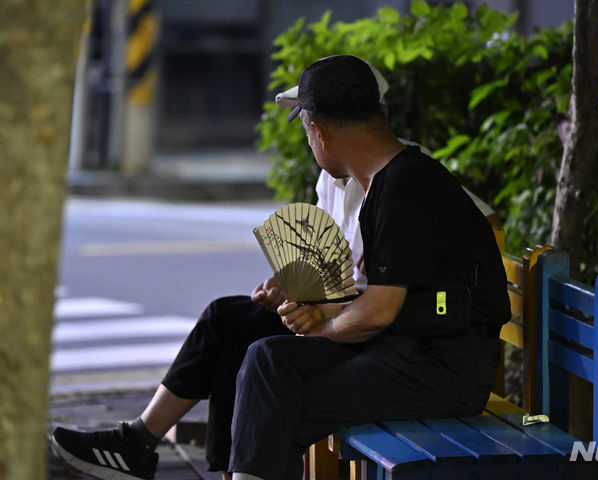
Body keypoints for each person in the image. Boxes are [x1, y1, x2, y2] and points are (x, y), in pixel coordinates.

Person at [50, 59, 393, 480]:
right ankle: (143, 443)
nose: (308, 137)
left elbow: (383, 298)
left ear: (321, 130)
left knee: (259, 353)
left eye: (308, 125)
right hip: (336, 314)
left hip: (367, 334)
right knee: (229, 318)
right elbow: (325, 260)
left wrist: (319, 310)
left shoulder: (394, 180)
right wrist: (290, 286)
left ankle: (216, 465)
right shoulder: (336, 176)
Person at [226, 55, 510, 480]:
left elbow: (379, 311)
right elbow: (395, 298)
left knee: (283, 405)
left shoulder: (406, 186)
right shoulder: (392, 179)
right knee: (268, 358)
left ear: (318, 131)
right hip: (408, 350)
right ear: (379, 113)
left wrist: (321, 329)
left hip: (442, 371)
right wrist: (325, 314)